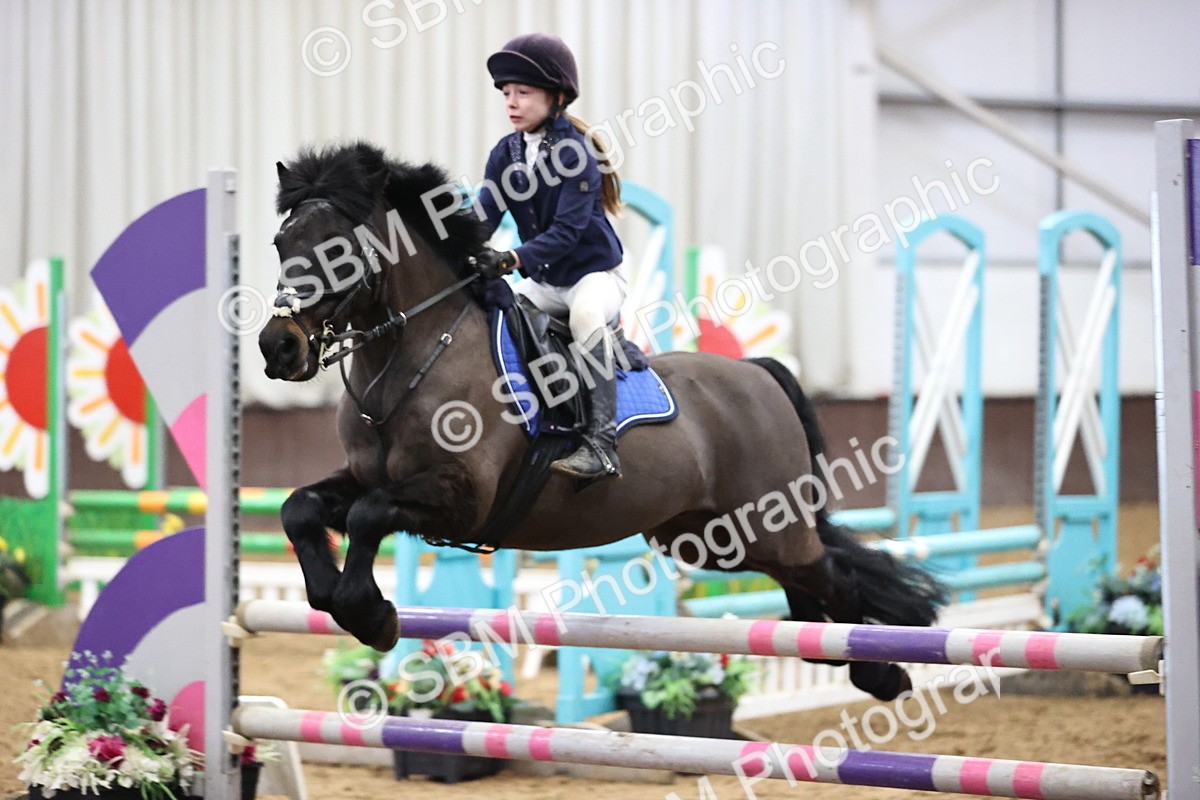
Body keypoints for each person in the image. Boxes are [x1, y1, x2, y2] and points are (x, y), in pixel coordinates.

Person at [472, 33, 627, 483]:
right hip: (545, 281)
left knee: (583, 317)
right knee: (497, 318)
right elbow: (482, 218)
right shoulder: (506, 152)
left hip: (594, 277)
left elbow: (566, 233)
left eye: (523, 93)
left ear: (556, 98)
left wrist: (508, 260)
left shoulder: (576, 154)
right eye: (506, 94)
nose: (512, 103)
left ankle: (601, 442)